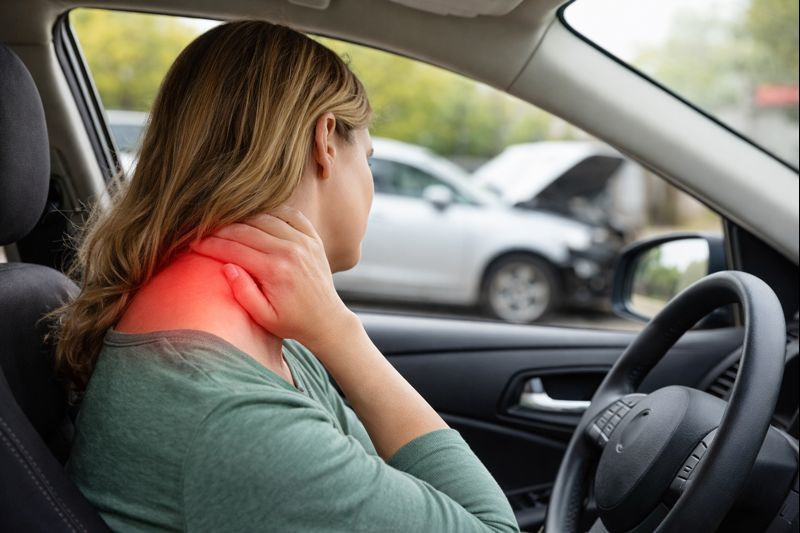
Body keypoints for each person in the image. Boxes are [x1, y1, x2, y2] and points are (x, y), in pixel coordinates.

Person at [46, 19, 520, 532]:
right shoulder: (233, 419)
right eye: (368, 158)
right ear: (324, 141)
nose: (369, 183)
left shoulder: (232, 321)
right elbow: (493, 527)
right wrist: (343, 335)